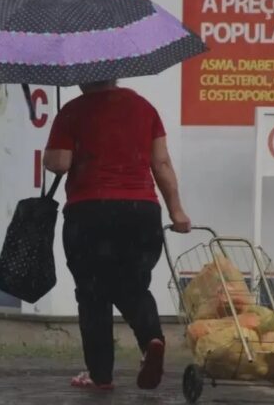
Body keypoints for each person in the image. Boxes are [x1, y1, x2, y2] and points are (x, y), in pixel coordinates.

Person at [43, 79, 191, 391]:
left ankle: (100, 376)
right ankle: (152, 339)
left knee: (93, 294)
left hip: (89, 212)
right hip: (141, 211)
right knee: (134, 285)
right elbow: (161, 163)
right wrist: (177, 211)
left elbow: (59, 163)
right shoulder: (143, 108)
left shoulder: (72, 111)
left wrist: (54, 147)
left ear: (83, 77)